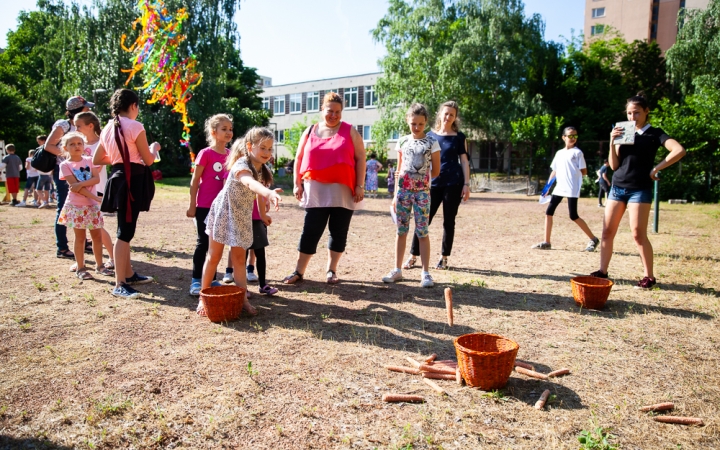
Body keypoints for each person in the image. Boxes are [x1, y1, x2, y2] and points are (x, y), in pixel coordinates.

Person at [591, 93, 686, 289]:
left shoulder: (655, 133)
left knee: (637, 234)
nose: (632, 117)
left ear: (646, 112)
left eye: (636, 113)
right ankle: (602, 271)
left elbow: (679, 150)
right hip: (617, 188)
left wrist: (656, 168)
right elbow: (615, 166)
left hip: (640, 190)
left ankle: (648, 277)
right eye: (629, 113)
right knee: (607, 231)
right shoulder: (624, 131)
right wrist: (612, 141)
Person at [283, 92, 366, 285]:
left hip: (343, 191)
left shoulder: (350, 131)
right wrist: (297, 183)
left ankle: (331, 270)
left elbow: (361, 157)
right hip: (316, 190)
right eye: (330, 111)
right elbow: (299, 158)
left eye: (338, 112)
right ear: (322, 109)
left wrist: (360, 185)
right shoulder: (310, 130)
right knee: (310, 230)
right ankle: (298, 271)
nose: (334, 115)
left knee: (338, 231)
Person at [199, 127, 282, 316]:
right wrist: (268, 192)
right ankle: (203, 299)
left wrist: (262, 214)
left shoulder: (262, 169)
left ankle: (242, 299)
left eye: (270, 149)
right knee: (214, 257)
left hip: (242, 217)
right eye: (263, 148)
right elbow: (250, 183)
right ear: (249, 146)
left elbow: (257, 194)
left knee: (238, 260)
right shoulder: (241, 164)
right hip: (224, 213)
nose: (267, 153)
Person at [93, 89, 158, 299]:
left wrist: (118, 157)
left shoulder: (107, 128)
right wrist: (154, 149)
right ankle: (120, 283)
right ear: (133, 106)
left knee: (125, 228)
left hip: (118, 178)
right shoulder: (135, 126)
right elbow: (148, 160)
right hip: (132, 179)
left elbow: (97, 158)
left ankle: (128, 275)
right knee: (125, 232)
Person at [405, 101, 471, 270]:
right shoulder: (429, 136)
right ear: (440, 114)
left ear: (455, 118)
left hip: (453, 183)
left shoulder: (459, 137)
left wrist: (466, 184)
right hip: (432, 184)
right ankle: (413, 256)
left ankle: (444, 258)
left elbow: (464, 161)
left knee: (449, 221)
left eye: (452, 115)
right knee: (423, 220)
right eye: (446, 113)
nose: (448, 117)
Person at [382, 103, 441, 288]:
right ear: (408, 121)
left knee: (422, 232)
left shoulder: (432, 142)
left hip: (422, 194)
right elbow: (399, 170)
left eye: (420, 124)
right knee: (401, 231)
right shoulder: (402, 141)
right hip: (403, 193)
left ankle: (425, 273)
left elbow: (436, 170)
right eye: (413, 123)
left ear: (426, 123)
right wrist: (395, 194)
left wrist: (421, 182)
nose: (416, 127)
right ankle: (397, 269)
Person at [531, 127, 600, 252]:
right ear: (564, 137)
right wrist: (547, 187)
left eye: (575, 136)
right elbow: (555, 171)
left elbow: (584, 171)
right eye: (570, 136)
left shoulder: (577, 153)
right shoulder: (559, 153)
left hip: (572, 188)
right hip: (559, 188)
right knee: (549, 212)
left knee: (573, 216)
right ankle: (547, 242)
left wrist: (573, 174)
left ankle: (593, 239)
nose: (573, 138)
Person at [186, 114, 233, 295]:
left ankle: (211, 279)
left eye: (230, 129)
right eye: (224, 129)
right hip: (204, 206)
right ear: (214, 132)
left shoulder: (230, 155)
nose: (229, 132)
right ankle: (196, 281)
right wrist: (192, 205)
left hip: (222, 208)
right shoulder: (205, 153)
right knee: (203, 243)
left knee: (217, 245)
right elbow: (195, 180)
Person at [44, 96, 95, 259]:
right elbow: (48, 145)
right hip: (65, 170)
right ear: (77, 110)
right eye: (86, 107)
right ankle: (62, 247)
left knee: (83, 204)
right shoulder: (64, 125)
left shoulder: (81, 126)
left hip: (81, 169)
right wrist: (69, 154)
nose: (88, 109)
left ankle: (84, 241)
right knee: (64, 206)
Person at [56, 132, 110, 280]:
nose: (76, 146)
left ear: (83, 145)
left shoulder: (90, 160)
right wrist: (96, 198)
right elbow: (74, 187)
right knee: (80, 238)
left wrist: (79, 184)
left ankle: (100, 266)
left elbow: (95, 179)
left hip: (92, 206)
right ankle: (81, 267)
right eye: (72, 144)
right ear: (66, 148)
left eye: (79, 143)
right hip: (76, 206)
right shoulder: (65, 165)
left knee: (97, 237)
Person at [75, 111, 115, 271]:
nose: (75, 129)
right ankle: (81, 261)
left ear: (90, 126)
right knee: (82, 227)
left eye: (78, 126)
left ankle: (112, 257)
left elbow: (96, 168)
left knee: (96, 226)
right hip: (80, 191)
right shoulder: (79, 144)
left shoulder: (101, 143)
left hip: (97, 190)